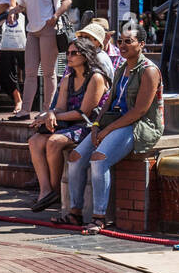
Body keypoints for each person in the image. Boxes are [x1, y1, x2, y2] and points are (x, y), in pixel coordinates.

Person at [64, 23, 163, 234]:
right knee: (75, 157)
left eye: (129, 41)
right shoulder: (121, 68)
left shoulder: (149, 71)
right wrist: (96, 125)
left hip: (138, 125)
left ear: (142, 44)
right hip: (112, 122)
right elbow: (108, 103)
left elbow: (139, 111)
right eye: (120, 41)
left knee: (99, 158)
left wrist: (106, 131)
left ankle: (99, 217)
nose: (123, 45)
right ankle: (75, 212)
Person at [28, 36, 110, 216]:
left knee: (54, 141)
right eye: (68, 53)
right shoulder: (67, 79)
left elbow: (84, 113)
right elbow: (60, 107)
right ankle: (45, 190)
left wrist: (51, 116)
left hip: (90, 126)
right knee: (34, 141)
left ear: (86, 55)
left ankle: (56, 191)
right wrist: (49, 114)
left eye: (74, 53)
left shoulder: (96, 77)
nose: (69, 57)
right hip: (69, 123)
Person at [10, 0, 71, 120]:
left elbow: (67, 0)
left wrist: (56, 15)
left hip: (48, 28)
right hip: (32, 30)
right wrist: (12, 10)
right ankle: (25, 110)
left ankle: (47, 110)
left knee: (48, 72)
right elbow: (22, 4)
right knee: (29, 72)